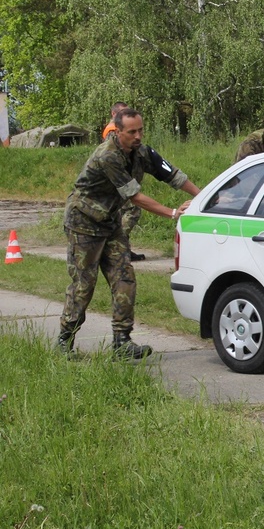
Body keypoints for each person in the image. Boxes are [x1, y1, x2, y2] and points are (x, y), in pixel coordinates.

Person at [58, 108, 199, 358]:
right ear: (118, 131)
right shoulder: (107, 156)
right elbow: (134, 196)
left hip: (110, 223)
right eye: (131, 132)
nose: (137, 136)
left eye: (140, 130)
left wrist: (204, 197)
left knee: (125, 278)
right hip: (84, 223)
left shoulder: (142, 152)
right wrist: (173, 212)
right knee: (84, 284)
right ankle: (64, 341)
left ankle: (122, 341)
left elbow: (173, 175)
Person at [103, 102, 147, 261]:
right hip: (118, 182)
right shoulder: (113, 133)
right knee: (133, 210)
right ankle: (118, 245)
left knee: (124, 213)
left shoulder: (117, 130)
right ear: (114, 115)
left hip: (121, 181)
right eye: (123, 113)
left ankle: (123, 247)